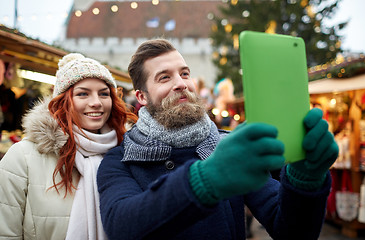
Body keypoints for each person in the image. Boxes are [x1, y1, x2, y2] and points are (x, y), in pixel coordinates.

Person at [97, 39, 339, 240]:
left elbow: (291, 231)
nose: (181, 84)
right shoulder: (120, 158)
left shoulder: (228, 146)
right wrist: (206, 178)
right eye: (164, 78)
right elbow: (122, 226)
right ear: (141, 96)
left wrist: (304, 178)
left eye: (184, 73)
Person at [0, 53, 137, 239]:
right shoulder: (23, 157)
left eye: (104, 93)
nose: (96, 102)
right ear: (63, 101)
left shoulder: (126, 155)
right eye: (83, 94)